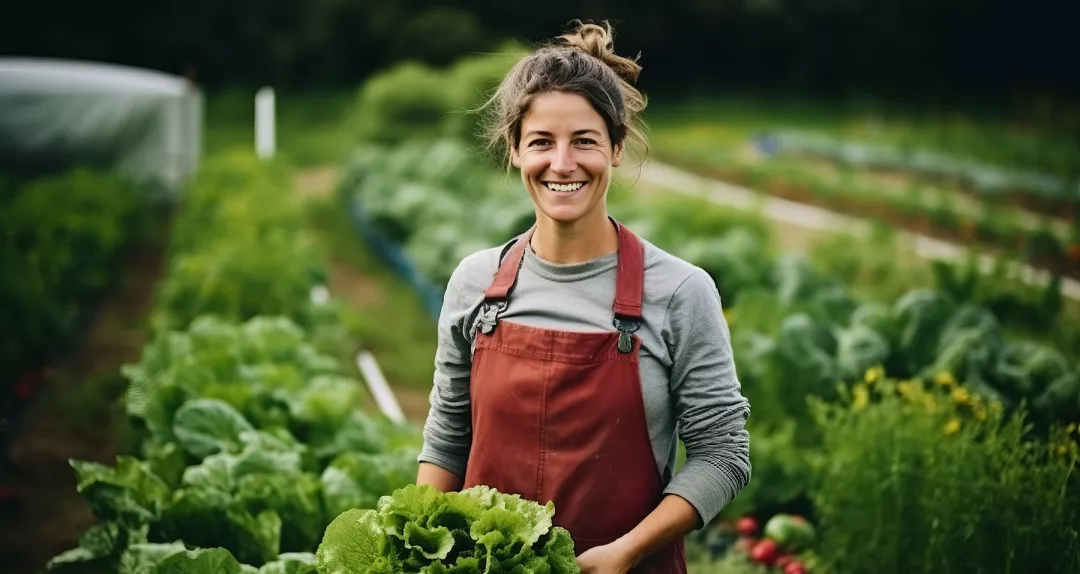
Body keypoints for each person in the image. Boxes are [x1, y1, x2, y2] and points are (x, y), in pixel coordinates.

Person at [417, 20, 751, 574]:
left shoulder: (680, 292)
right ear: (515, 152)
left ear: (617, 148)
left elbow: (723, 455)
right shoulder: (475, 283)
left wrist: (626, 552)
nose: (563, 163)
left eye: (585, 141)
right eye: (542, 142)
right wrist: (420, 542)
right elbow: (448, 438)